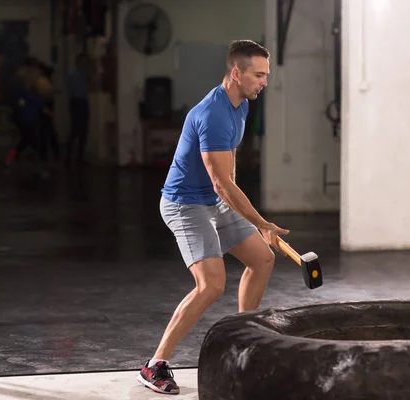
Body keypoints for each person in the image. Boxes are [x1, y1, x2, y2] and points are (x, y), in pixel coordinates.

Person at [137, 39, 289, 395]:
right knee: (211, 285)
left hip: (213, 200)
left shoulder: (241, 105)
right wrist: (261, 223)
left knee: (262, 259)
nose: (264, 82)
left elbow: (228, 170)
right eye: (258, 75)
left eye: (266, 75)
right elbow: (221, 184)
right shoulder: (213, 114)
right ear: (236, 73)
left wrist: (249, 220)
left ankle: (240, 343)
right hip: (185, 204)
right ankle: (155, 364)